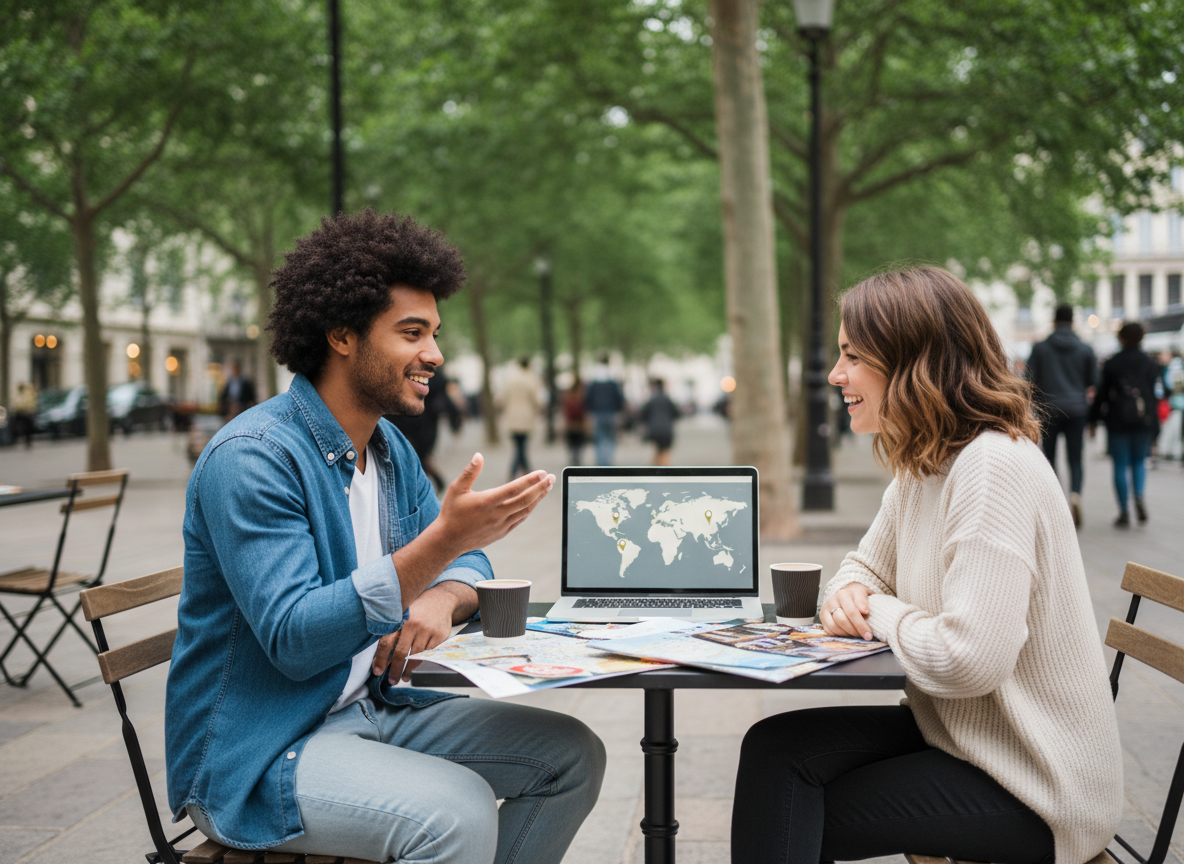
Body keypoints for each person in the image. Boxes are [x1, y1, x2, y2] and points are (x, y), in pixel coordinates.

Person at [166, 210, 605, 864]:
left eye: (434, 332)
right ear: (342, 336)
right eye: (412, 332)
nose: (435, 354)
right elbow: (293, 638)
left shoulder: (389, 448)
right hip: (260, 750)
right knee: (452, 815)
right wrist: (440, 546)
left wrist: (438, 597)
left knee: (570, 756)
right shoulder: (254, 457)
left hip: (370, 705)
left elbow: (469, 559)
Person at [731, 266, 1121, 864]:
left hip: (1039, 781)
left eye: (853, 356)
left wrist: (879, 608)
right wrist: (854, 589)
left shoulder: (991, 469)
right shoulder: (927, 461)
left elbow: (968, 662)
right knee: (773, 747)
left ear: (913, 362)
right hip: (966, 737)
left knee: (784, 810)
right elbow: (861, 567)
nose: (836, 375)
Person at [1025, 303, 1097, 526]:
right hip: (1076, 409)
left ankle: (1055, 504)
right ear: (1072, 321)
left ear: (1054, 321)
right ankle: (1075, 494)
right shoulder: (1085, 349)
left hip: (1049, 409)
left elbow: (1029, 379)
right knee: (1075, 458)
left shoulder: (1041, 348)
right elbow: (1093, 380)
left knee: (1050, 457)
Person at [1088, 321, 1161, 526]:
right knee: (1139, 462)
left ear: (1121, 338)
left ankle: (1123, 511)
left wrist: (1093, 420)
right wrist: (1155, 427)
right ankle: (1138, 495)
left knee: (1120, 464)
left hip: (1117, 420)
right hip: (1143, 419)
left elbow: (1101, 394)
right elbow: (1154, 396)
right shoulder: (1149, 363)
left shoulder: (1113, 363)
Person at [386, 371, 459, 491]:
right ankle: (430, 482)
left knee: (418, 456)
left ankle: (424, 485)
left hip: (419, 424)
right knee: (418, 456)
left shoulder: (431, 379)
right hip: (418, 424)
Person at [500, 356, 541, 479]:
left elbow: (503, 398)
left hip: (512, 417)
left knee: (519, 446)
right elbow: (535, 399)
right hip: (526, 416)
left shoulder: (510, 379)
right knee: (522, 446)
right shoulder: (531, 379)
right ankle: (522, 471)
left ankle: (524, 471)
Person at [584, 353, 625, 466]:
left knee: (599, 438)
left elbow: (588, 398)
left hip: (597, 413)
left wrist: (590, 411)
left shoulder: (594, 379)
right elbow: (619, 398)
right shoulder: (613, 379)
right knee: (610, 437)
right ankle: (609, 460)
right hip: (611, 413)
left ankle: (601, 461)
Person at [639, 378, 679, 466]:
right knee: (664, 452)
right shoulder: (668, 399)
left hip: (654, 429)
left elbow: (643, 414)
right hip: (666, 429)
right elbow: (676, 413)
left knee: (657, 450)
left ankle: (657, 469)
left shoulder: (651, 400)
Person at [562, 376, 589, 466]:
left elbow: (565, 409)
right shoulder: (582, 395)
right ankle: (577, 460)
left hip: (571, 424)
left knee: (572, 444)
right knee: (579, 444)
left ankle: (573, 460)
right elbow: (585, 409)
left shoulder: (568, 395)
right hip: (579, 424)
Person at [11, 381, 38, 448]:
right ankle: (24, 439)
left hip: (27, 412)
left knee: (28, 427)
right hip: (20, 413)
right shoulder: (18, 394)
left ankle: (28, 440)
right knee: (21, 427)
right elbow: (15, 402)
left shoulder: (27, 393)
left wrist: (30, 409)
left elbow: (30, 402)